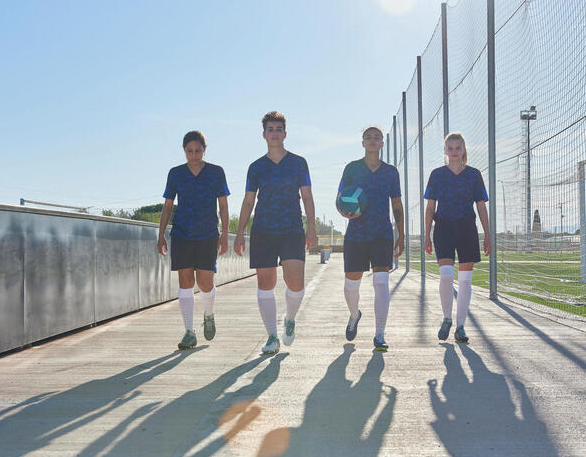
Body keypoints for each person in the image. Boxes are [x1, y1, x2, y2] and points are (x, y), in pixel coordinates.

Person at [234, 111, 317, 354]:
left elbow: (307, 196)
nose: (274, 133)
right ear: (264, 134)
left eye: (278, 129)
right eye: (270, 129)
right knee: (266, 283)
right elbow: (248, 201)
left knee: (295, 282)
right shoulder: (256, 167)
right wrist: (239, 232)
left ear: (285, 133)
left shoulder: (298, 162)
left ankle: (289, 319)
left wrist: (311, 227)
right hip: (263, 230)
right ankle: (271, 336)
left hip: (292, 228)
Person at [158, 130, 230, 349]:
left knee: (205, 282)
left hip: (208, 233)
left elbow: (224, 205)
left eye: (198, 150)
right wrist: (161, 234)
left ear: (204, 150)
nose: (194, 155)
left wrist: (225, 234)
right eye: (189, 151)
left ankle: (209, 314)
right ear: (184, 151)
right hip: (182, 234)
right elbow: (168, 205)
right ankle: (189, 331)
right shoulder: (176, 173)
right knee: (185, 282)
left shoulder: (216, 172)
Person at [337, 125, 404, 352]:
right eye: (369, 138)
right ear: (363, 143)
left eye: (377, 138)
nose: (373, 141)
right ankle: (354, 314)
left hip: (381, 233)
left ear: (382, 144)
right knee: (350, 285)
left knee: (381, 282)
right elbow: (340, 199)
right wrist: (345, 212)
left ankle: (379, 334)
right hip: (356, 233)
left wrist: (401, 234)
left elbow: (396, 204)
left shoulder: (390, 172)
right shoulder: (352, 169)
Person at [423, 132, 491, 343]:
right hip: (443, 228)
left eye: (457, 148)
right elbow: (430, 207)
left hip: (467, 229)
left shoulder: (474, 175)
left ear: (463, 150)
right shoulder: (437, 175)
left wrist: (488, 234)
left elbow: (481, 206)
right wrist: (426, 234)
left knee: (465, 281)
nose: (454, 152)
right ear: (445, 150)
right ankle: (446, 319)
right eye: (450, 148)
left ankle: (460, 326)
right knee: (445, 275)